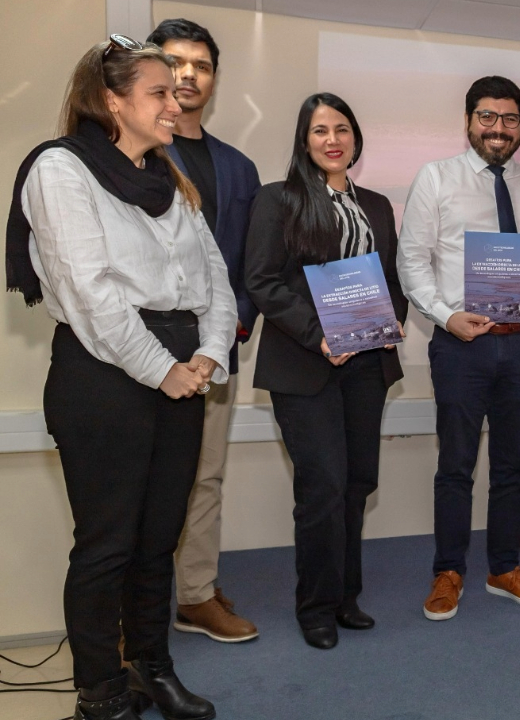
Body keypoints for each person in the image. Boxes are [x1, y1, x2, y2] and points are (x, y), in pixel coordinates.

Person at [6, 35, 235, 720]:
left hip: (182, 368)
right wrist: (163, 369)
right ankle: (102, 693)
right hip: (102, 376)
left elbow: (215, 279)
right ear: (112, 101)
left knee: (158, 540)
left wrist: (208, 355)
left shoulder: (170, 178)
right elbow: (89, 294)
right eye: (159, 92)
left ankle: (152, 667)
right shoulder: (61, 169)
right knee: (106, 547)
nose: (175, 103)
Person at [397, 75, 520, 620]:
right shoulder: (436, 178)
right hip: (461, 345)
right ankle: (448, 572)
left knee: (511, 467)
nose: (499, 128)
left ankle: (504, 568)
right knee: (456, 466)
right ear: (469, 121)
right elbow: (411, 263)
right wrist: (446, 317)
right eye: (488, 117)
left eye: (510, 118)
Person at [245, 93, 408, 649]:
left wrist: (390, 318)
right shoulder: (278, 200)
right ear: (304, 140)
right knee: (323, 487)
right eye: (320, 130)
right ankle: (314, 607)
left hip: (367, 365)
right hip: (304, 365)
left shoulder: (378, 206)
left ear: (355, 137)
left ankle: (345, 598)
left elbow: (391, 280)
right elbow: (262, 280)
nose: (332, 140)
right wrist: (320, 335)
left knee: (357, 484)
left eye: (342, 128)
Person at [146, 17, 262, 644]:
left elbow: (249, 263)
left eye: (202, 65)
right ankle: (129, 614)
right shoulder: (126, 154)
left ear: (215, 79)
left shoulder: (238, 168)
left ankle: (194, 595)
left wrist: (232, 326)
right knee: (138, 483)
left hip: (216, 354)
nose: (188, 75)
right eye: (175, 62)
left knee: (206, 477)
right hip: (139, 354)